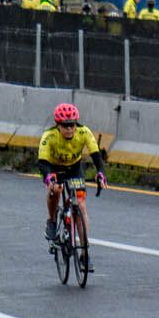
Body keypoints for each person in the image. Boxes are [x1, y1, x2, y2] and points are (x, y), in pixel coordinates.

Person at [37, 101, 104, 253]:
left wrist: (100, 172)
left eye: (72, 125)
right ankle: (52, 221)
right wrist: (48, 177)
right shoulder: (49, 136)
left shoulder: (84, 132)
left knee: (81, 206)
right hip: (54, 168)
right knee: (56, 189)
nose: (69, 129)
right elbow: (42, 162)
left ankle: (85, 252)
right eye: (65, 126)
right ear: (58, 125)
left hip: (74, 168)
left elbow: (96, 155)